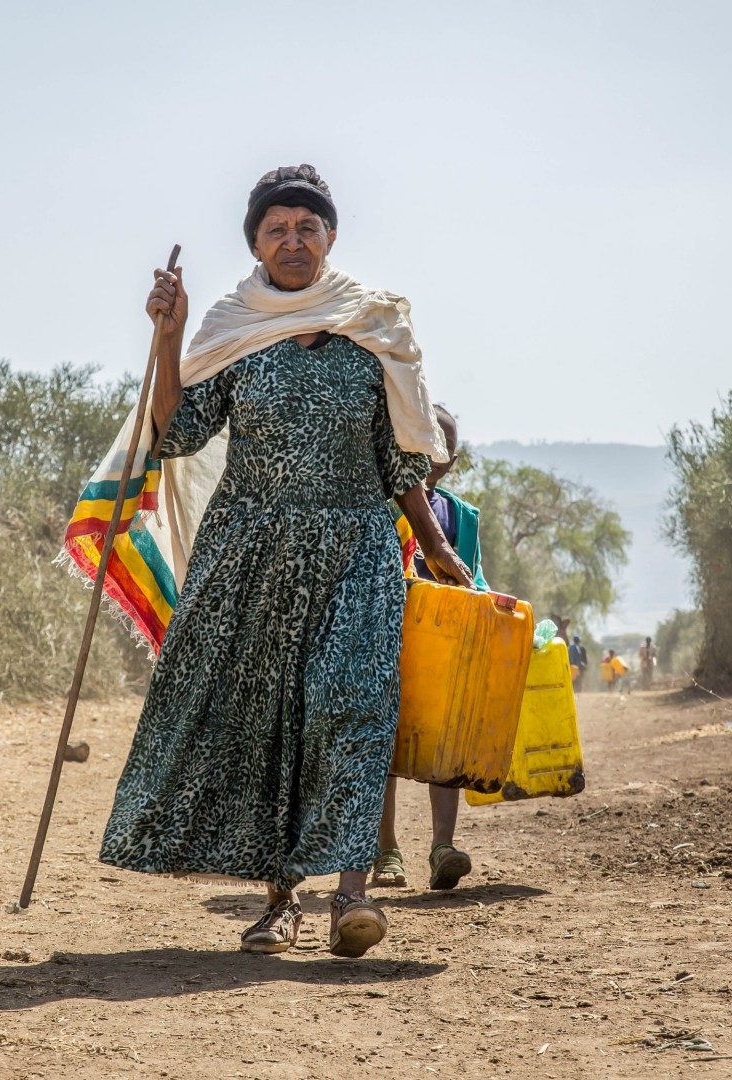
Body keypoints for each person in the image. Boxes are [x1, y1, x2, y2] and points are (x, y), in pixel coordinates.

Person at [89, 165, 474, 959]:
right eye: (277, 229)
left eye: (308, 226)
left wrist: (435, 546)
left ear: (331, 237)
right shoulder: (234, 329)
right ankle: (278, 904)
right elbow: (179, 432)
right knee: (269, 720)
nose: (293, 241)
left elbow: (399, 457)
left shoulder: (373, 328)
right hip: (251, 548)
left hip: (356, 545)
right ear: (256, 244)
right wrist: (168, 333)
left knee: (350, 703)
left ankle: (353, 897)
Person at [372, 404, 486, 893]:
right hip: (382, 639)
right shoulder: (378, 500)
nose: (431, 458)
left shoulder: (458, 515)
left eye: (443, 452)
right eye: (424, 444)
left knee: (448, 741)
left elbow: (472, 579)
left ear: (451, 462)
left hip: (439, 650)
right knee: (382, 745)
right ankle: (385, 852)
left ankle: (443, 847)